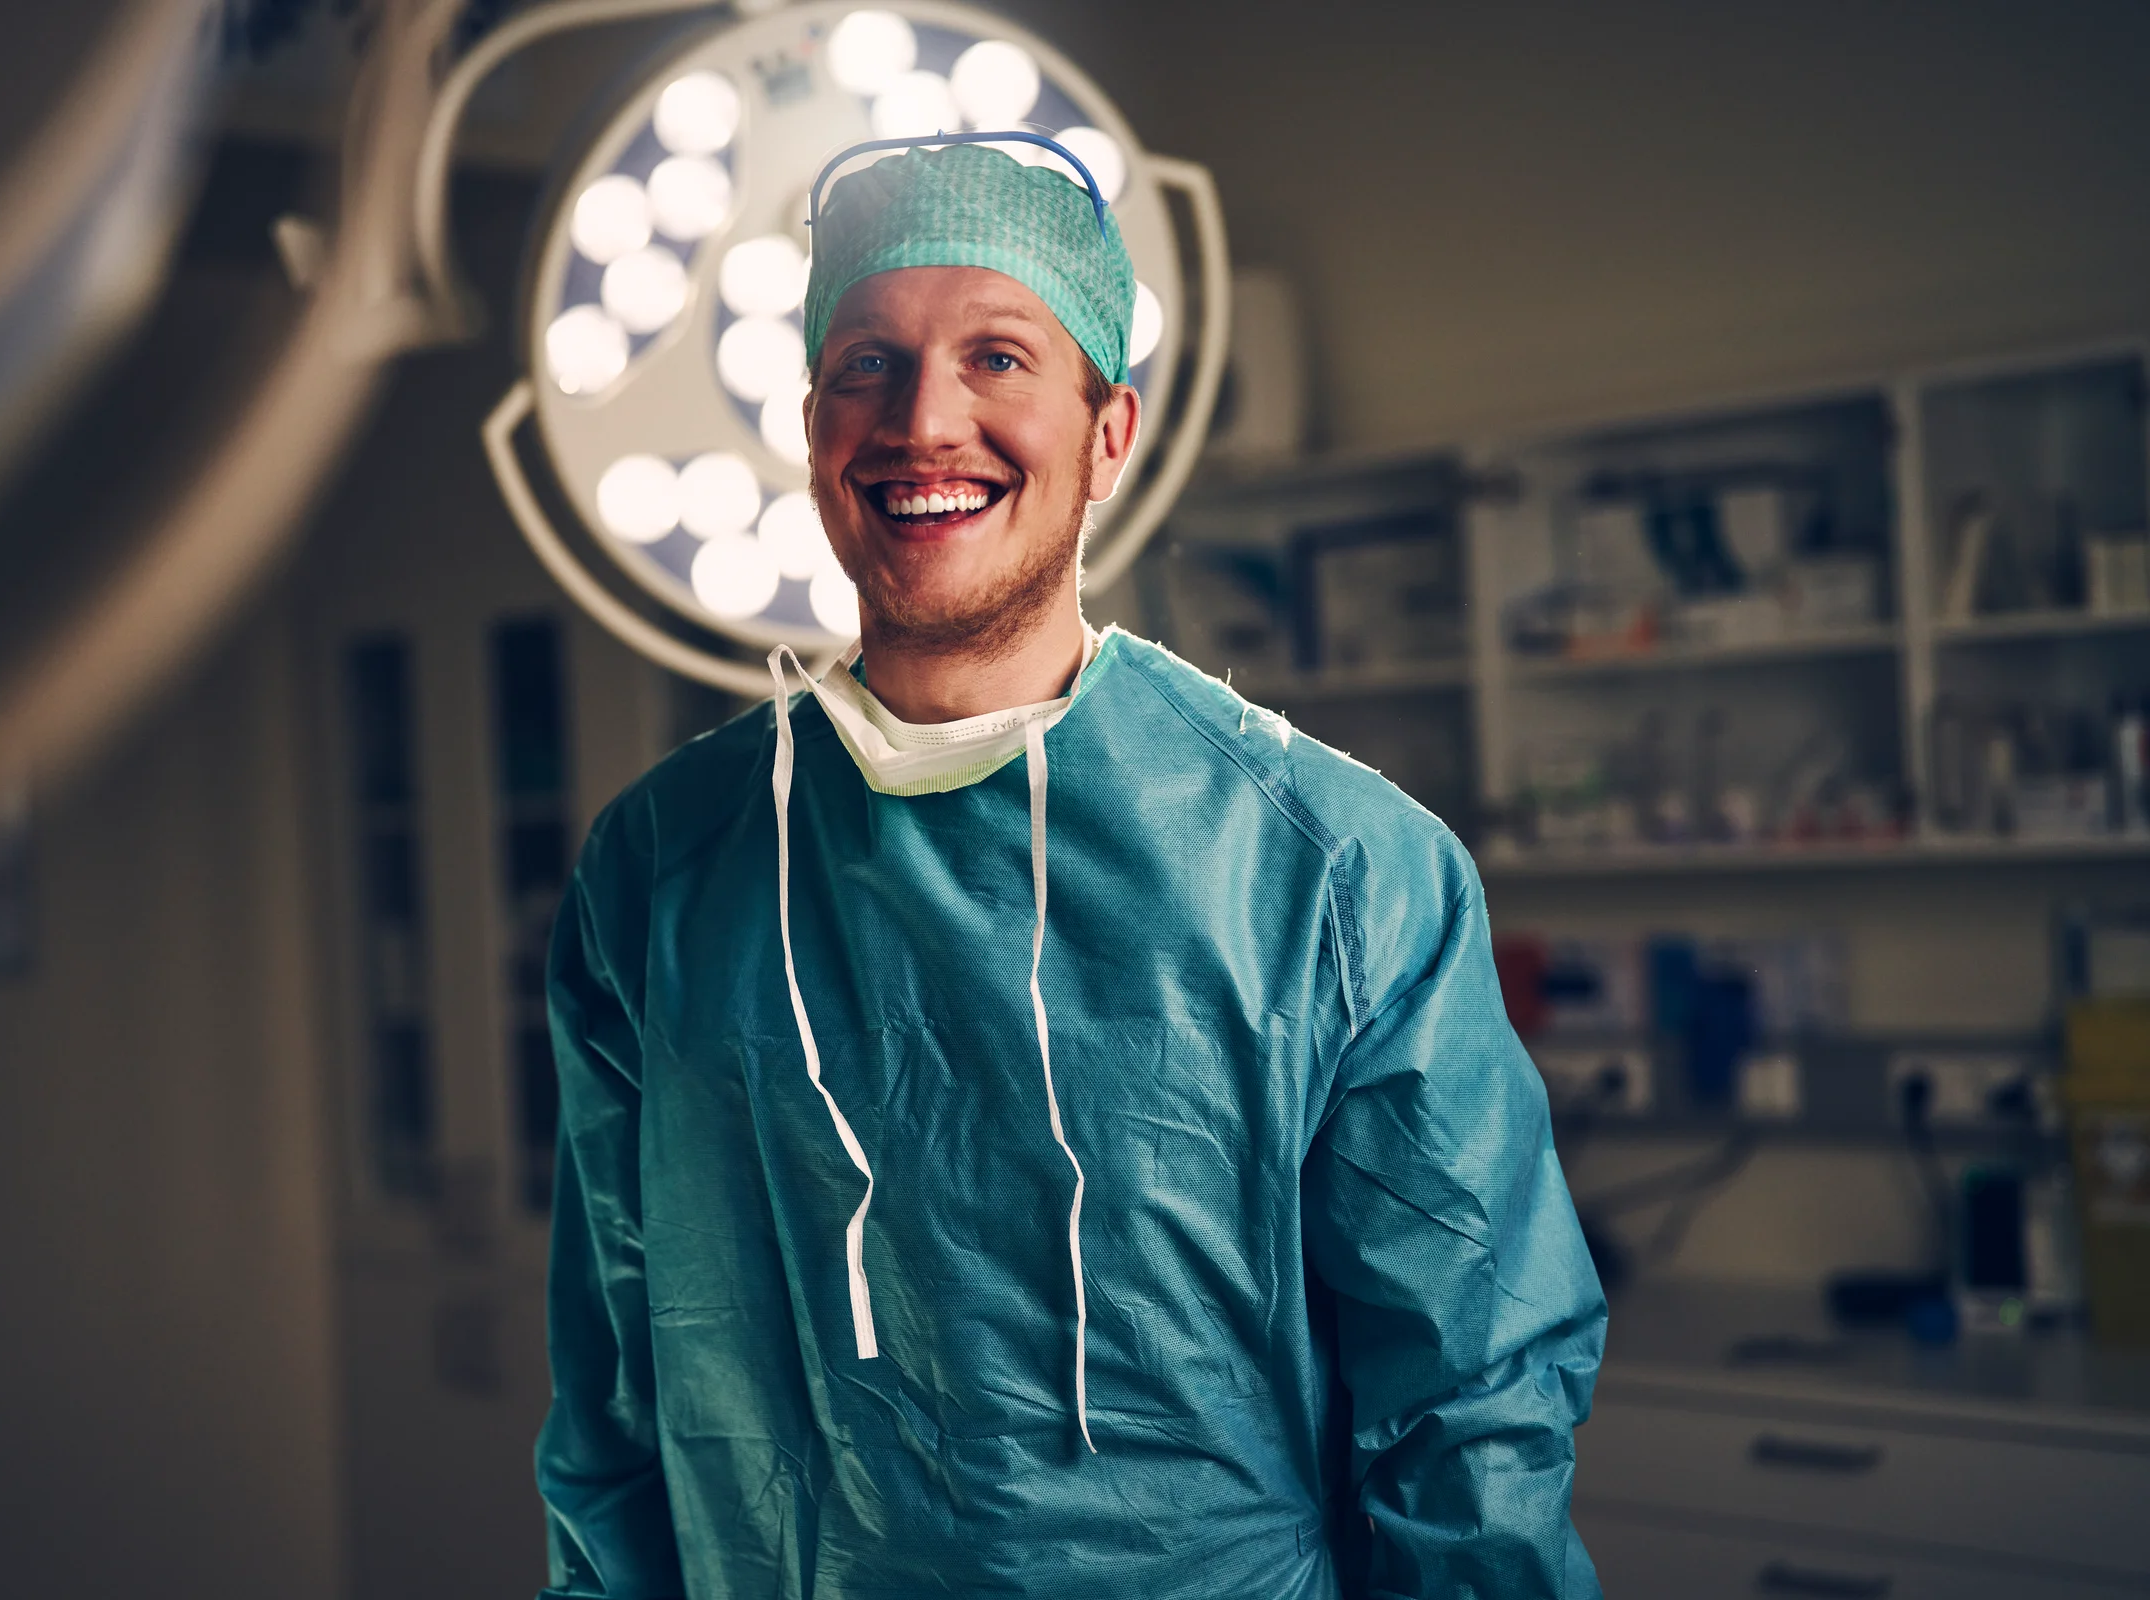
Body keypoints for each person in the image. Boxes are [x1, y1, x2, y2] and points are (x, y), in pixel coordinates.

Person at [535, 137, 1605, 1599]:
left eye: (997, 357)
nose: (923, 420)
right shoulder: (665, 869)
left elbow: (1472, 1428)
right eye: (867, 364)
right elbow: (613, 1396)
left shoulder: (1337, 876)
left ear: (1110, 433)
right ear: (808, 426)